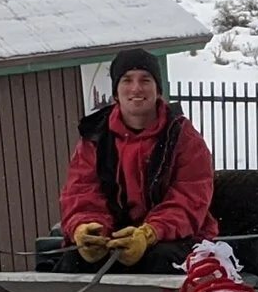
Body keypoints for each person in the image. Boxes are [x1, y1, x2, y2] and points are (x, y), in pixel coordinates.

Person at [59, 47, 219, 269]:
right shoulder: (94, 137)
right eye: (127, 80)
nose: (136, 88)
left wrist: (149, 233)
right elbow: (82, 192)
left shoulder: (184, 137)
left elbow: (189, 199)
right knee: (72, 261)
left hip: (173, 238)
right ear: (116, 92)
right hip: (113, 237)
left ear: (158, 90)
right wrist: (87, 228)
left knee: (159, 261)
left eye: (145, 80)